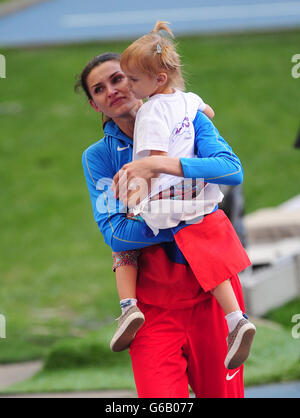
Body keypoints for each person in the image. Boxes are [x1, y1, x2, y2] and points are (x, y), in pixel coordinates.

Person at [78, 52, 252, 397]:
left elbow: (231, 170)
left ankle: (236, 323)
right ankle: (127, 310)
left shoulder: (187, 118)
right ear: (95, 105)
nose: (111, 90)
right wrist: (189, 217)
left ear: (139, 78)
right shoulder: (98, 157)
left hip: (211, 291)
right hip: (153, 306)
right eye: (99, 89)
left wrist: (163, 169)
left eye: (117, 78)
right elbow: (115, 233)